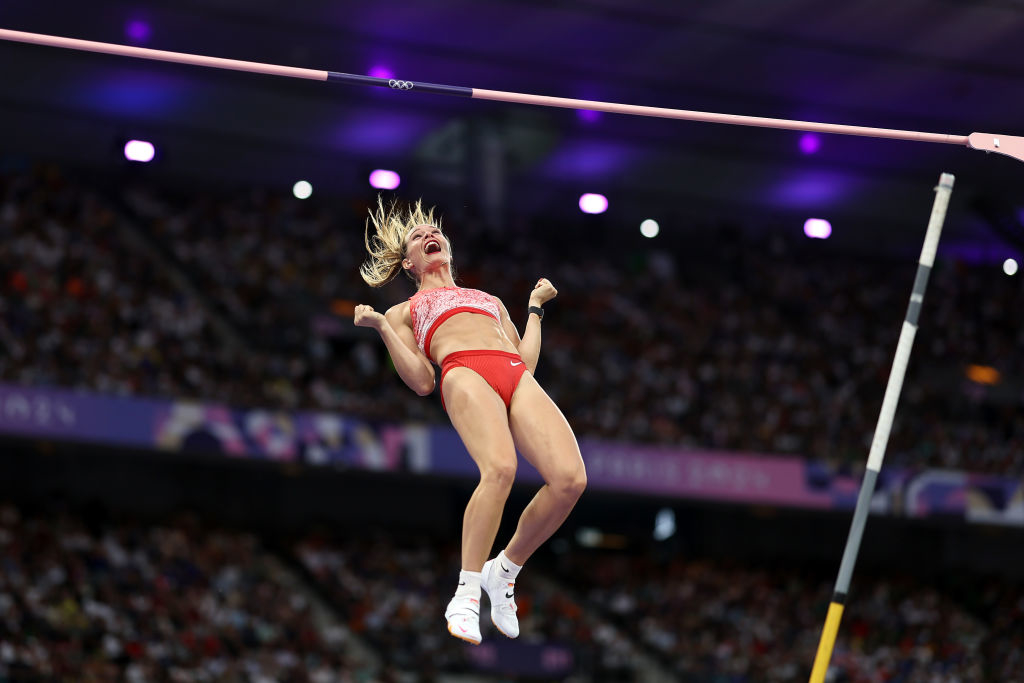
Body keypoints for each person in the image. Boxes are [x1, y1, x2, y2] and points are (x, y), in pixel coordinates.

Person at [354, 198, 587, 645]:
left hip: (512, 373)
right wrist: (383, 327)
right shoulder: (406, 310)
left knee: (570, 480)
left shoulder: (488, 299)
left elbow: (525, 361)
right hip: (462, 369)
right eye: (417, 237)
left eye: (433, 232)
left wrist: (535, 308)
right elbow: (422, 380)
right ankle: (466, 594)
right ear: (409, 262)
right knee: (500, 470)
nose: (428, 235)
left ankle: (506, 570)